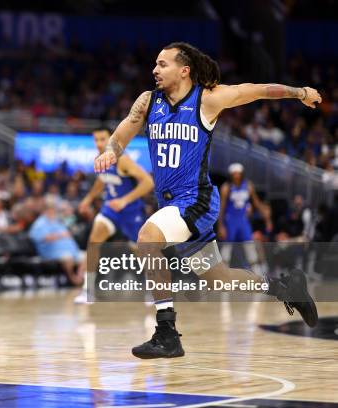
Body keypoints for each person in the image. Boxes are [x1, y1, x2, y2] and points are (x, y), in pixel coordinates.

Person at [94, 42, 320, 359]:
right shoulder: (148, 101)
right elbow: (121, 135)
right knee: (219, 278)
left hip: (195, 200)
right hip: (172, 205)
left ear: (183, 70)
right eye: (154, 65)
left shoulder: (207, 99)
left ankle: (166, 332)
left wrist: (299, 92)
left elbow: (254, 90)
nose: (154, 70)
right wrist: (110, 151)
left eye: (162, 64)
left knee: (147, 239)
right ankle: (286, 288)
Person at [74, 127, 154, 304]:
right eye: (96, 140)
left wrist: (124, 200)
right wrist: (88, 199)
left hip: (131, 211)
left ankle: (153, 290)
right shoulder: (99, 160)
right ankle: (87, 291)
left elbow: (148, 182)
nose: (99, 143)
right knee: (93, 242)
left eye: (102, 139)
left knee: (141, 251)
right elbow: (101, 181)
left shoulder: (122, 160)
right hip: (110, 210)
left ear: (111, 139)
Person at [218, 163, 271, 271]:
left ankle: (257, 274)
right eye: (234, 174)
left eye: (238, 174)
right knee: (227, 249)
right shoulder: (226, 188)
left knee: (249, 246)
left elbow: (256, 202)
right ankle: (222, 275)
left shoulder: (248, 186)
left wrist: (267, 217)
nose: (237, 176)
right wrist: (221, 226)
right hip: (230, 220)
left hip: (243, 220)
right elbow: (221, 208)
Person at [29, 196, 83, 285]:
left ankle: (80, 277)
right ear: (45, 210)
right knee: (67, 258)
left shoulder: (57, 221)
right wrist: (60, 236)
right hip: (52, 252)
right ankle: (72, 279)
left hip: (71, 250)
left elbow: (67, 232)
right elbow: (40, 237)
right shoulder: (40, 223)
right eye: (50, 209)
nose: (52, 211)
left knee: (88, 256)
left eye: (53, 209)